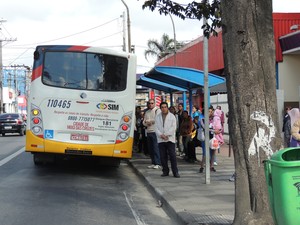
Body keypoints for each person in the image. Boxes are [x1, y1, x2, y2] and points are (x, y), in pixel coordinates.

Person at [155, 102, 180, 178]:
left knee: (172, 156)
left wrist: (166, 135)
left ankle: (175, 172)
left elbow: (173, 128)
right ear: (160, 108)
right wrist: (161, 135)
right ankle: (165, 171)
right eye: (162, 107)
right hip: (161, 139)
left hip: (170, 139)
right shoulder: (157, 117)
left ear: (167, 108)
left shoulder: (172, 116)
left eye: (165, 107)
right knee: (163, 157)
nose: (164, 108)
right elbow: (156, 128)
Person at [143, 99, 161, 169]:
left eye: (152, 103)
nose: (150, 104)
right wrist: (147, 123)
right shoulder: (147, 112)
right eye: (149, 103)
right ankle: (153, 162)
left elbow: (157, 119)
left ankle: (158, 163)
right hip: (148, 131)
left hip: (155, 131)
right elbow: (143, 122)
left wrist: (149, 121)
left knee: (156, 148)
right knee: (150, 149)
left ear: (154, 103)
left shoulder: (157, 110)